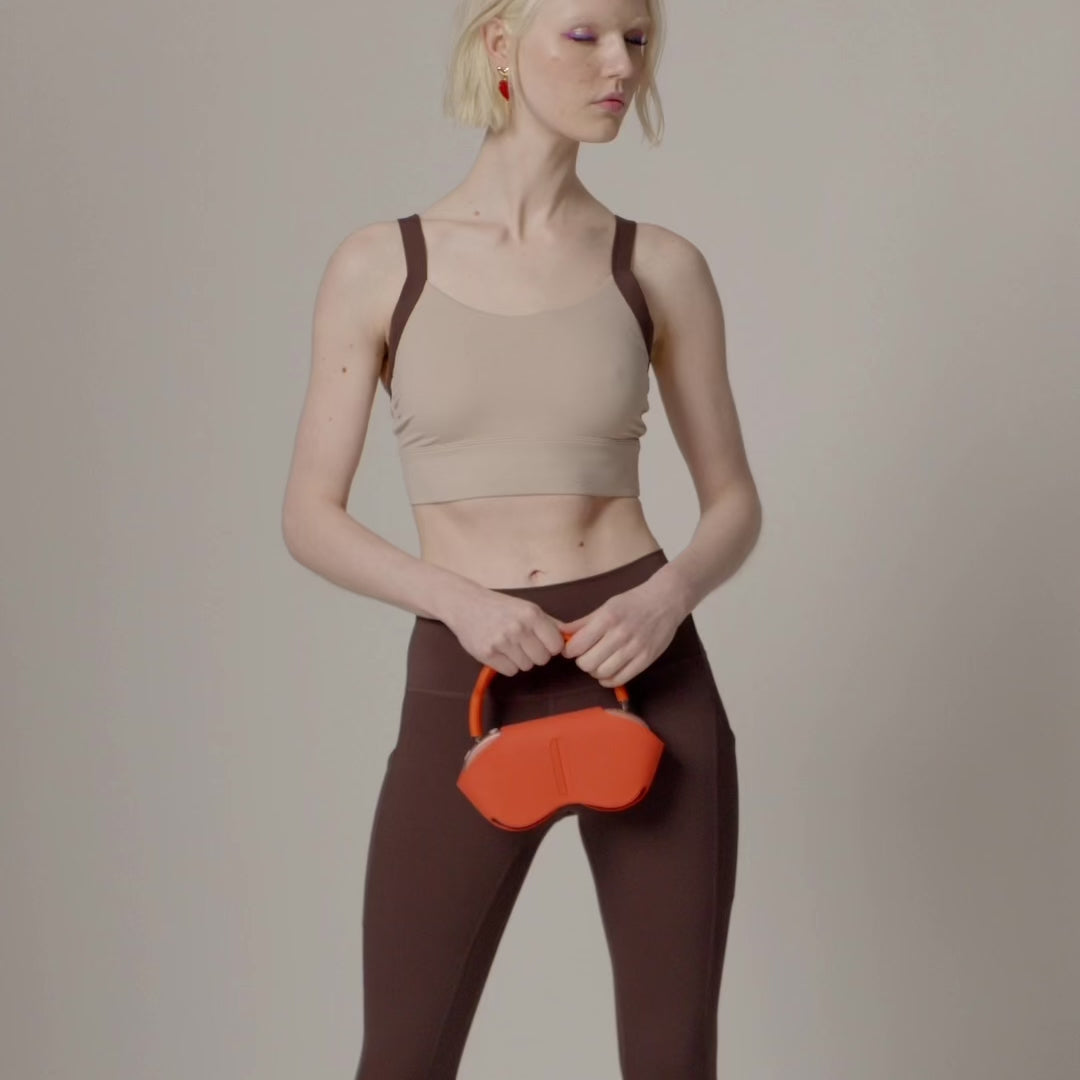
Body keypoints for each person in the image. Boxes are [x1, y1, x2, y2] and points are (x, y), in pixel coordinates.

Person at [281, 1, 762, 1076]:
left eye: (637, 39)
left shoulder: (659, 265)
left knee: (672, 1059)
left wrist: (668, 597)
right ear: (501, 45)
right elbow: (309, 514)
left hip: (644, 669)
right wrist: (456, 600)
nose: (620, 64)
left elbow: (733, 502)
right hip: (472, 676)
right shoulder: (381, 264)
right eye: (585, 34)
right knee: (404, 1057)